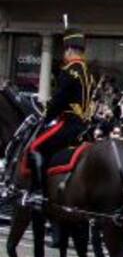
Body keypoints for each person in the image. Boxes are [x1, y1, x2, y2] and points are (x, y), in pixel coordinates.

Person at [25, 29, 94, 196]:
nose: (64, 54)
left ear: (69, 50)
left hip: (69, 124)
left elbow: (59, 100)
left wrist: (45, 114)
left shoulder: (69, 70)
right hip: (83, 126)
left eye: (65, 51)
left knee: (35, 147)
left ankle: (38, 193)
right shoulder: (88, 73)